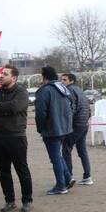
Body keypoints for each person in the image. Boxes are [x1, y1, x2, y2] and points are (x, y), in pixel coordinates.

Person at [0, 64, 33, 212]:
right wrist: (4, 108)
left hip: (16, 137)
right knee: (3, 171)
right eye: (1, 73)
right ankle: (9, 200)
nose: (1, 76)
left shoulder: (21, 92)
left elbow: (16, 107)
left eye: (5, 74)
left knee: (21, 169)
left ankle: (27, 200)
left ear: (14, 77)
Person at [34, 66, 74, 195]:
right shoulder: (63, 88)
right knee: (58, 155)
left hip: (51, 129)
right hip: (65, 128)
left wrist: (40, 128)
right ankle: (68, 178)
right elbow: (72, 105)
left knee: (55, 157)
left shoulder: (45, 91)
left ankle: (61, 185)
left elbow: (40, 112)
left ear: (44, 77)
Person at [60, 73, 93, 185]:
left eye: (64, 80)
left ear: (71, 81)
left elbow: (71, 109)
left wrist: (66, 123)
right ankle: (87, 176)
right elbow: (88, 108)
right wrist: (87, 118)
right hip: (84, 124)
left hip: (76, 125)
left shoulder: (69, 91)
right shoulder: (80, 90)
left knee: (66, 149)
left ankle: (68, 177)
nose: (62, 82)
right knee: (82, 150)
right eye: (61, 80)